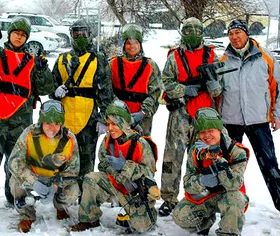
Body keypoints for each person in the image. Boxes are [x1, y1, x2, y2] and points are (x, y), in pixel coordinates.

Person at [219, 19, 280, 221]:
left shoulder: (264, 57)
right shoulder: (223, 60)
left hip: (258, 121)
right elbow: (216, 93)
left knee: (269, 164)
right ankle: (227, 206)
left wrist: (278, 114)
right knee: (228, 166)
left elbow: (279, 88)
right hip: (231, 121)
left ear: (246, 34)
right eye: (231, 34)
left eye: (238, 32)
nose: (234, 37)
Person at [159, 17, 222, 216]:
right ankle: (169, 198)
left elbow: (220, 86)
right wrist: (184, 89)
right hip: (180, 113)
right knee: (172, 157)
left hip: (204, 117)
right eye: (187, 30)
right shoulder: (174, 56)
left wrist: (214, 86)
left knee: (203, 157)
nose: (191, 34)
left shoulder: (212, 56)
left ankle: (199, 197)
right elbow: (166, 81)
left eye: (195, 30)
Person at [70, 99, 160, 233]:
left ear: (124, 123)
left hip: (133, 189)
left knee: (142, 227)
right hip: (113, 183)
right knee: (90, 178)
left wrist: (125, 166)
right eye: (108, 124)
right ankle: (88, 219)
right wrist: (115, 171)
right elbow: (102, 164)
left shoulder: (140, 143)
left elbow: (148, 171)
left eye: (114, 123)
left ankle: (148, 214)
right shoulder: (108, 140)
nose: (110, 128)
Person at [52, 18, 114, 183]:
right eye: (76, 34)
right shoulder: (61, 59)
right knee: (63, 159)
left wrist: (103, 118)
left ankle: (84, 198)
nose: (80, 37)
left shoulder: (98, 59)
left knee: (86, 161)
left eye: (83, 33)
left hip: (88, 120)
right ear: (71, 35)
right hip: (64, 120)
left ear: (90, 35)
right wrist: (55, 92)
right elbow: (52, 88)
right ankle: (64, 196)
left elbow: (106, 92)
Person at [0, 17, 54, 206]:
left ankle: (14, 196)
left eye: (23, 35)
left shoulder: (32, 61)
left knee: (16, 163)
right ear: (9, 33)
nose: (19, 37)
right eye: (16, 33)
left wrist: (41, 69)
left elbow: (46, 88)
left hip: (21, 122)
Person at [173, 107, 249, 236]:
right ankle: (205, 224)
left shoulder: (237, 152)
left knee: (236, 199)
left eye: (211, 130)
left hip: (228, 195)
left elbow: (235, 184)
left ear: (219, 130)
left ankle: (228, 232)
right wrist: (201, 181)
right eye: (202, 132)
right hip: (206, 194)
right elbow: (187, 183)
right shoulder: (195, 151)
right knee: (180, 215)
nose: (207, 136)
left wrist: (220, 164)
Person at [8, 99, 80, 233]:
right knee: (15, 183)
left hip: (55, 179)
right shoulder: (29, 133)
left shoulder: (69, 138)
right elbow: (14, 162)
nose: (52, 128)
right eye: (48, 123)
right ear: (41, 121)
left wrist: (56, 186)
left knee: (73, 191)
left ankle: (60, 207)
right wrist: (33, 182)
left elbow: (73, 171)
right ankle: (27, 215)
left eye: (56, 124)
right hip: (34, 176)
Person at [109, 23, 161, 135]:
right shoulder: (113, 64)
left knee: (140, 148)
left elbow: (155, 94)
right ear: (124, 45)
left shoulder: (150, 66)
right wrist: (116, 111)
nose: (132, 46)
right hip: (117, 118)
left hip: (142, 120)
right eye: (128, 43)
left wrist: (143, 112)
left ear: (140, 44)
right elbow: (107, 90)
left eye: (135, 42)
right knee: (116, 150)